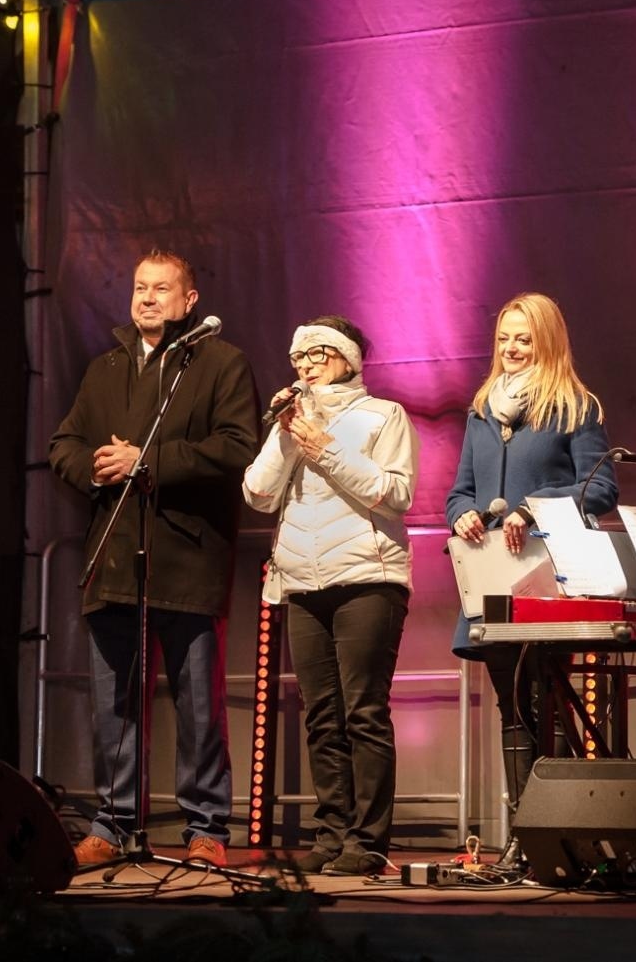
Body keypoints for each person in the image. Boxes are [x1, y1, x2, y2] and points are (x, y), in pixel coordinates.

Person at [49, 250, 259, 869]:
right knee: (112, 706)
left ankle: (205, 827)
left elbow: (237, 445)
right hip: (114, 559)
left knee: (198, 706)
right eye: (139, 286)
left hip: (188, 558)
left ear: (189, 300)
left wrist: (147, 461)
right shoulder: (105, 369)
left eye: (160, 288)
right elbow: (65, 442)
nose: (146, 297)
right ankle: (111, 826)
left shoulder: (221, 362)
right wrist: (94, 467)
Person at [445, 293, 618, 866]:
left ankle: (560, 839)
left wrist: (532, 507)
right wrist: (461, 514)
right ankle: (526, 838)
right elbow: (460, 490)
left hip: (548, 576)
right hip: (492, 575)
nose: (511, 348)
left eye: (523, 338)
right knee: (513, 707)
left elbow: (600, 487)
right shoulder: (480, 410)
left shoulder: (574, 406)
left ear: (546, 340)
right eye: (503, 339)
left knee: (545, 700)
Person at [243, 315, 419, 877]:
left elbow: (396, 493)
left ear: (348, 359)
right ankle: (332, 831)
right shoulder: (293, 422)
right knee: (322, 715)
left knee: (363, 712)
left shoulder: (383, 415)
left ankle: (368, 841)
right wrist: (288, 435)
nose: (307, 364)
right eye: (300, 356)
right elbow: (258, 494)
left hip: (367, 578)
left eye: (320, 352)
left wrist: (327, 449)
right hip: (300, 579)